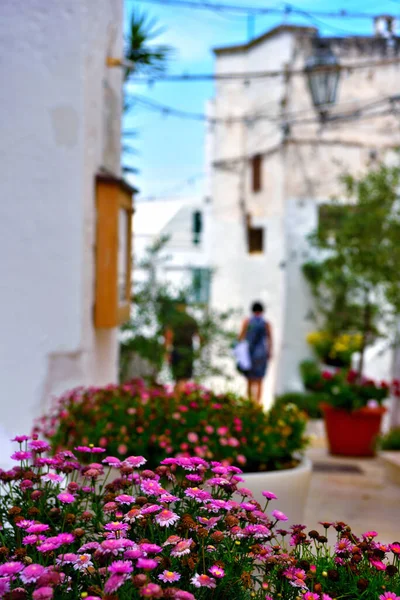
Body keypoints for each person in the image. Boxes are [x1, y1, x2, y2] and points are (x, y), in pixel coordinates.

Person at [238, 301, 272, 404]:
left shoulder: (247, 321)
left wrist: (238, 351)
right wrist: (269, 352)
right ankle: (257, 404)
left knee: (249, 380)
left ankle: (249, 403)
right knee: (259, 380)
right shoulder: (266, 323)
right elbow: (270, 339)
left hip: (249, 353)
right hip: (261, 354)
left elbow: (241, 337)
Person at [164, 302, 199, 391]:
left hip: (177, 350)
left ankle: (178, 401)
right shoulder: (192, 320)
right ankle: (180, 400)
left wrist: (167, 352)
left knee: (178, 378)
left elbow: (169, 336)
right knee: (184, 379)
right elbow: (198, 336)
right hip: (189, 352)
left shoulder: (173, 320)